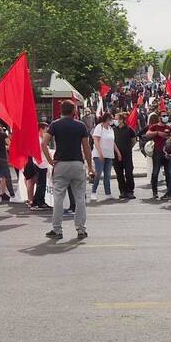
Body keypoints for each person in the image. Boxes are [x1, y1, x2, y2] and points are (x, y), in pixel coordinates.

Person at [42, 100, 94, 241]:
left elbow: (44, 143)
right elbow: (87, 148)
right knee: (79, 198)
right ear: (74, 111)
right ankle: (81, 229)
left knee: (58, 198)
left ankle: (57, 229)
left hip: (61, 164)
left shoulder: (55, 125)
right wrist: (90, 167)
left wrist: (51, 161)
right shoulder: (80, 126)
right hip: (77, 163)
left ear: (61, 111)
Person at [145, 113, 171, 199]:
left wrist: (168, 138)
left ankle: (169, 192)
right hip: (157, 152)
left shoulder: (168, 127)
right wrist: (157, 133)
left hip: (167, 153)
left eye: (166, 116)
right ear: (160, 117)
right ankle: (155, 192)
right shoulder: (154, 126)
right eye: (163, 116)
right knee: (155, 172)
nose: (165, 117)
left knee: (168, 173)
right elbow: (148, 134)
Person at [91, 113, 116, 197]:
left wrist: (118, 152)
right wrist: (100, 153)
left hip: (109, 155)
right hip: (99, 155)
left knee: (107, 175)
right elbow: (96, 140)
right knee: (98, 173)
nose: (112, 121)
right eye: (111, 119)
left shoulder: (111, 129)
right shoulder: (99, 127)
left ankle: (108, 193)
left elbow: (113, 142)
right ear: (107, 119)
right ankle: (93, 191)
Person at [113, 112, 137, 199]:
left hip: (127, 155)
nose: (115, 120)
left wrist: (128, 148)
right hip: (116, 155)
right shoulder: (113, 130)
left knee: (128, 173)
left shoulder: (129, 130)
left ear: (122, 120)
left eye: (117, 119)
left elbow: (133, 141)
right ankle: (122, 191)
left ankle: (130, 191)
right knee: (119, 174)